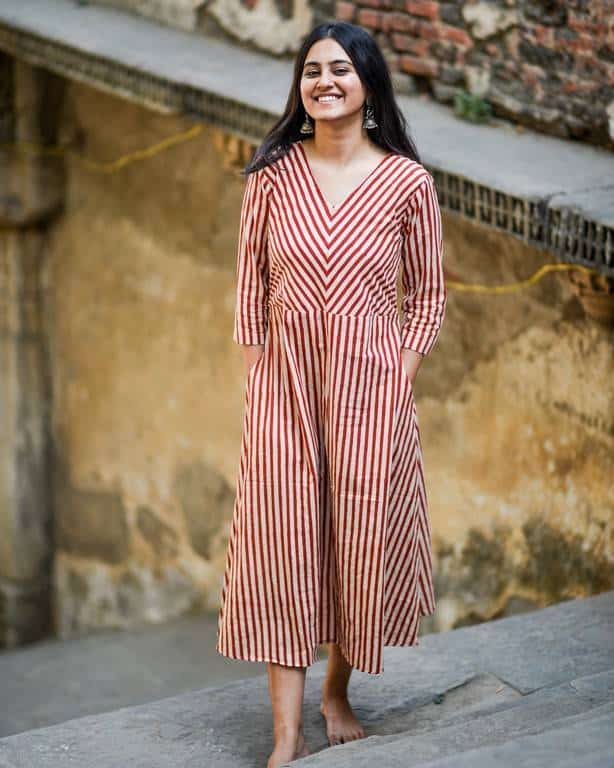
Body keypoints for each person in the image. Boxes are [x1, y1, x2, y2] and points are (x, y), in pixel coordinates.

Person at [216, 20, 447, 768]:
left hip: (370, 393)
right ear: (300, 87)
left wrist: (395, 373)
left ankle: (336, 693)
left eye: (341, 69)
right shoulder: (271, 176)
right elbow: (250, 289)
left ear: (368, 84)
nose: (324, 81)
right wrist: (261, 377)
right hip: (283, 391)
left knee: (358, 544)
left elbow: (431, 296)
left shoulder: (408, 184)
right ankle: (286, 736)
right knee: (283, 546)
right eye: (312, 70)